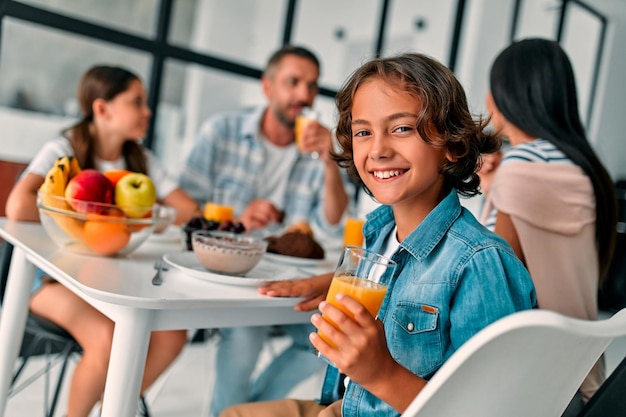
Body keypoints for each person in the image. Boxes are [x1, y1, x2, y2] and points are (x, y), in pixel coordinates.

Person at [219, 52, 536, 417]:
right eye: (363, 132)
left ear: (453, 145)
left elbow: (489, 411)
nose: (379, 150)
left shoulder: (480, 263)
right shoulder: (380, 232)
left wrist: (381, 374)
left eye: (402, 128)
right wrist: (330, 281)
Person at [5, 65, 201, 417]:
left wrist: (151, 215)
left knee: (173, 335)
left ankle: (109, 410)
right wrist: (94, 216)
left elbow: (188, 209)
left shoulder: (140, 160)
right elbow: (18, 205)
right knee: (107, 339)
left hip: (112, 278)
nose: (148, 111)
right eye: (136, 102)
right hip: (51, 280)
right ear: (102, 109)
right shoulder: (63, 149)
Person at [177, 45, 350, 416]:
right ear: (268, 87)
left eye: (311, 85)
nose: (304, 95)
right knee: (246, 334)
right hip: (234, 275)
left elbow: (331, 222)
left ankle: (246, 411)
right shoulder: (221, 132)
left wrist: (330, 161)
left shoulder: (318, 148)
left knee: (325, 341)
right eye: (294, 82)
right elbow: (184, 205)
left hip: (291, 278)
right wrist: (239, 218)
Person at [478, 38, 618, 413]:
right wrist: (495, 190)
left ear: (505, 95)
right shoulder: (584, 169)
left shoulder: (519, 166)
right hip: (579, 376)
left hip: (526, 381)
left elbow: (494, 283)